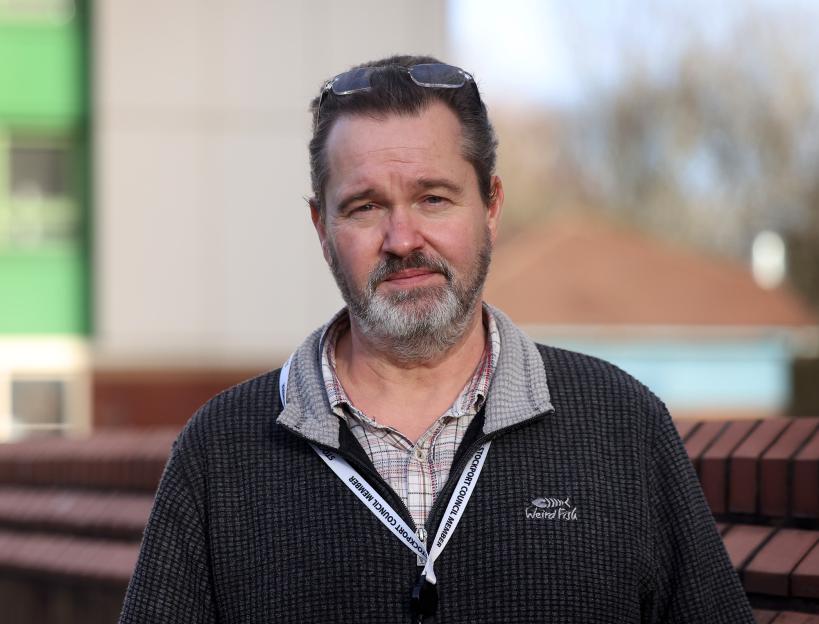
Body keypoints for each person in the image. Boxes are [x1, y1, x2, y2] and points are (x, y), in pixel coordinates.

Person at [119, 55, 755, 623]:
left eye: (433, 198)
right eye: (365, 206)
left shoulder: (621, 425)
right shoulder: (219, 453)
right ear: (321, 226)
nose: (402, 239)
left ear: (492, 206)